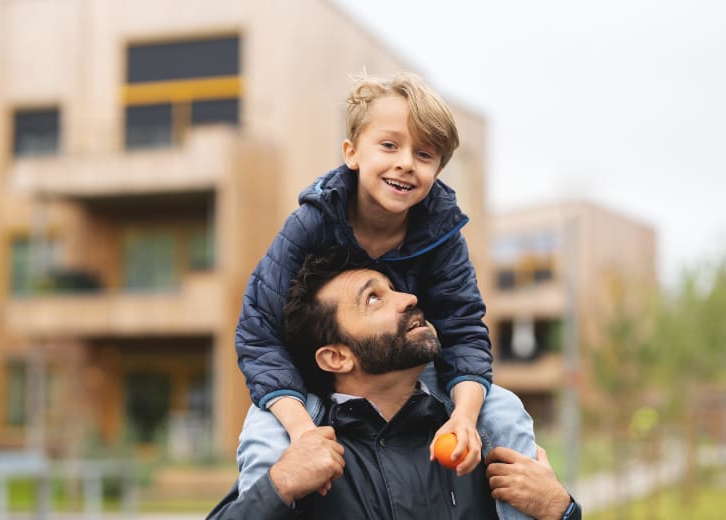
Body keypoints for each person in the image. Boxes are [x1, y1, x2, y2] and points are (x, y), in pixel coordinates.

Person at [235, 71, 536, 518]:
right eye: (390, 146)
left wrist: (464, 417)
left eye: (424, 153)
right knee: (264, 435)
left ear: (437, 169)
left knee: (505, 408)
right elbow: (258, 333)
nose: (406, 163)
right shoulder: (310, 224)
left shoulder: (443, 236)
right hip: (312, 379)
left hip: (409, 367)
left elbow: (464, 331)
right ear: (352, 153)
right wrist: (300, 428)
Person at [208, 251, 581, 519]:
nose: (408, 299)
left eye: (394, 288)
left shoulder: (483, 433)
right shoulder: (294, 458)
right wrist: (279, 486)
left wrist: (559, 510)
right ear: (336, 357)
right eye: (374, 298)